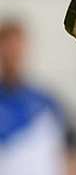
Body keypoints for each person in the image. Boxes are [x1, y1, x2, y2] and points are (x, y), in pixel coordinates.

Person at [0, 18, 69, 175]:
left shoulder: (46, 102)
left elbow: (69, 153)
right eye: (7, 46)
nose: (13, 53)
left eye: (17, 46)